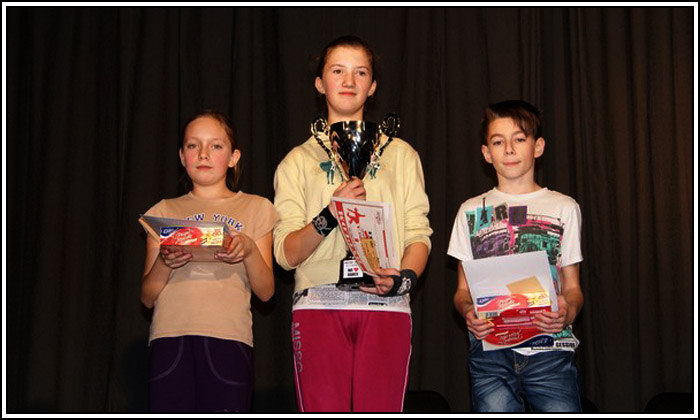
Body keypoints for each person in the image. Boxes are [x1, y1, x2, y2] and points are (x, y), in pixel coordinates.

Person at [273, 35, 432, 412]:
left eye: (360, 72)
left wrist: (402, 280)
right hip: (318, 304)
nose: (349, 81)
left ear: (372, 86)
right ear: (319, 83)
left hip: (386, 305)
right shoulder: (296, 162)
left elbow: (418, 234)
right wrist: (331, 214)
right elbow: (285, 254)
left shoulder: (402, 155)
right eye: (337, 71)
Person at [447, 100, 584, 412]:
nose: (509, 149)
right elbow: (462, 292)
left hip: (549, 349)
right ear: (486, 153)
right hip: (490, 352)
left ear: (538, 147)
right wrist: (468, 312)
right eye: (498, 142)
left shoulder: (564, 207)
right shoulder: (470, 210)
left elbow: (573, 288)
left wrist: (568, 312)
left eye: (519, 139)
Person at [140, 110, 278, 412]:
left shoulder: (256, 207)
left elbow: (266, 291)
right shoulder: (163, 211)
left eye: (215, 146)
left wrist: (249, 249)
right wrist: (165, 261)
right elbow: (147, 297)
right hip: (170, 337)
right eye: (193, 145)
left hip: (229, 337)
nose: (203, 154)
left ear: (233, 157)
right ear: (182, 156)